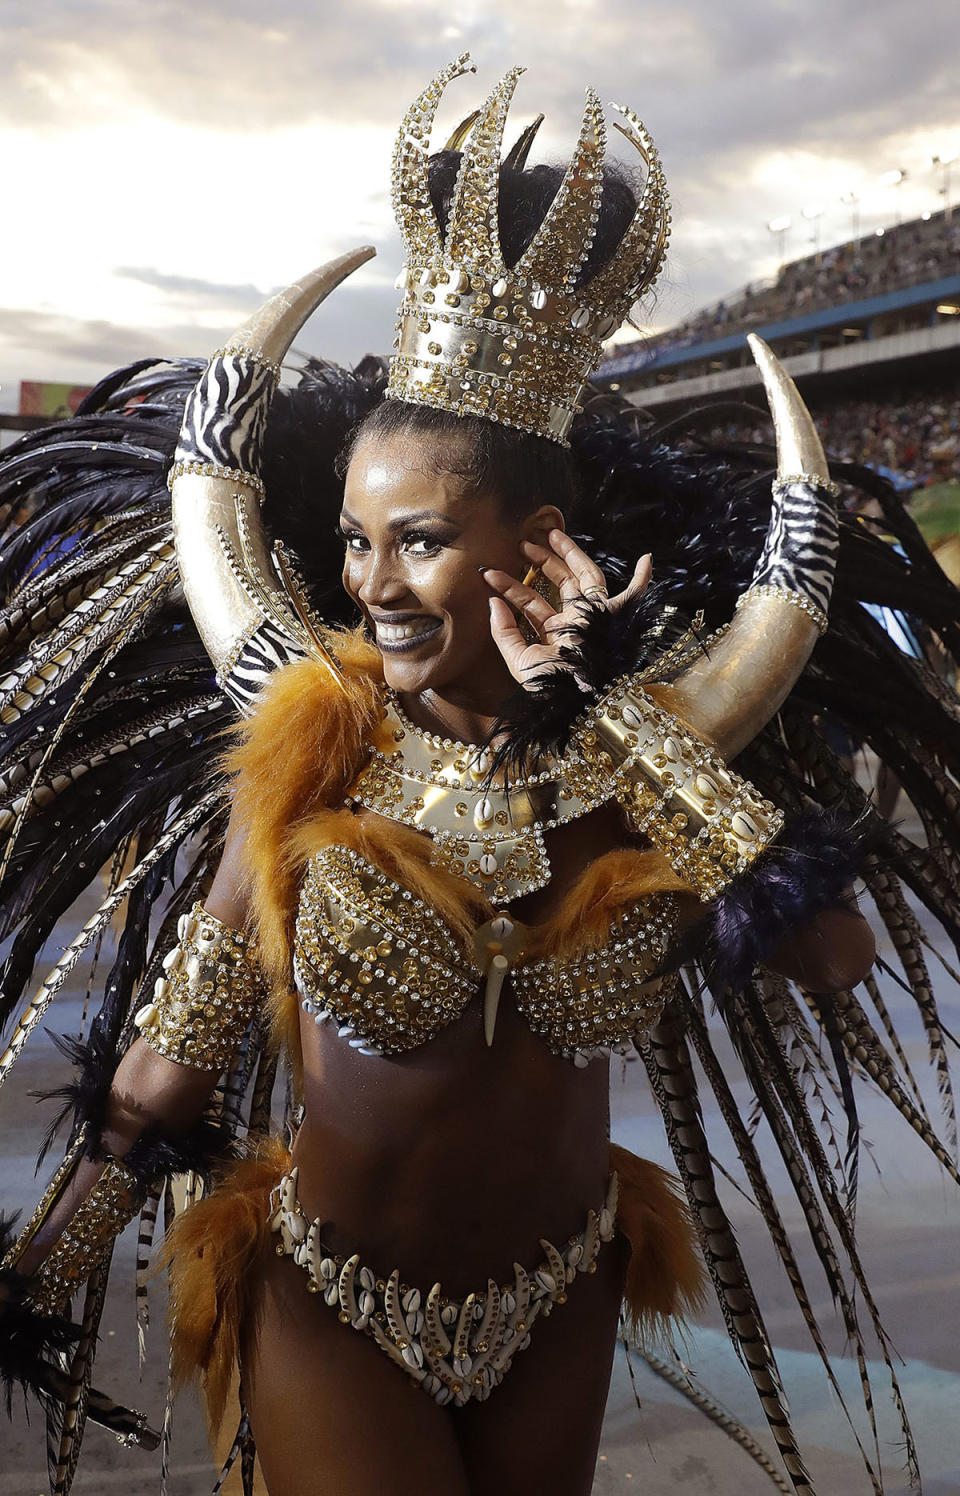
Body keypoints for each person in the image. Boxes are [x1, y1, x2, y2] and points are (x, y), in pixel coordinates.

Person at [1, 55, 959, 1496]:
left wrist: (617, 720)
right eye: (353, 540)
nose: (371, 585)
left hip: (563, 1293)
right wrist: (52, 1258)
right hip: (333, 1300)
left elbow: (832, 955)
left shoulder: (640, 761)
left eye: (421, 540)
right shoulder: (313, 751)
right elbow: (182, 1029)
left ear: (539, 540)